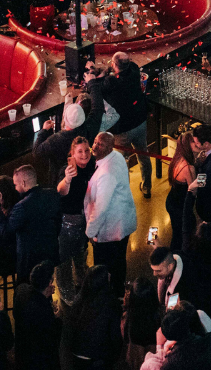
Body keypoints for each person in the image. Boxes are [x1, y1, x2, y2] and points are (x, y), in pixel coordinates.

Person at [85, 132, 138, 299]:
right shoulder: (117, 156)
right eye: (94, 142)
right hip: (122, 222)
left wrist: (90, 232)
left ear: (109, 147)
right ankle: (119, 294)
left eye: (100, 145)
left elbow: (100, 208)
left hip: (111, 229)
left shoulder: (106, 173)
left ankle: (110, 298)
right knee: (119, 262)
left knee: (106, 266)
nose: (94, 147)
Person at [0, 164, 61, 283]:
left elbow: (5, 232)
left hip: (29, 259)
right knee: (46, 287)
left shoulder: (22, 206)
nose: (15, 188)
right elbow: (58, 221)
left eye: (16, 185)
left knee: (27, 292)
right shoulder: (52, 194)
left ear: (23, 183)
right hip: (50, 252)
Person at [98, 51, 152, 198]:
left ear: (114, 65)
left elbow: (98, 87)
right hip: (140, 121)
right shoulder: (134, 70)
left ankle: (125, 193)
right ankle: (147, 187)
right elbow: (127, 67)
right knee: (143, 154)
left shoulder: (112, 82)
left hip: (122, 130)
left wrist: (102, 73)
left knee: (121, 163)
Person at [60, 265, 122, 370]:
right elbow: (114, 335)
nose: (110, 275)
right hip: (97, 359)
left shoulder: (79, 299)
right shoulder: (110, 303)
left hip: (77, 356)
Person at [13, 262, 61, 370]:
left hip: (21, 353)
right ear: (49, 283)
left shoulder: (21, 289)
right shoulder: (44, 312)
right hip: (39, 360)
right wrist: (57, 317)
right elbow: (53, 338)